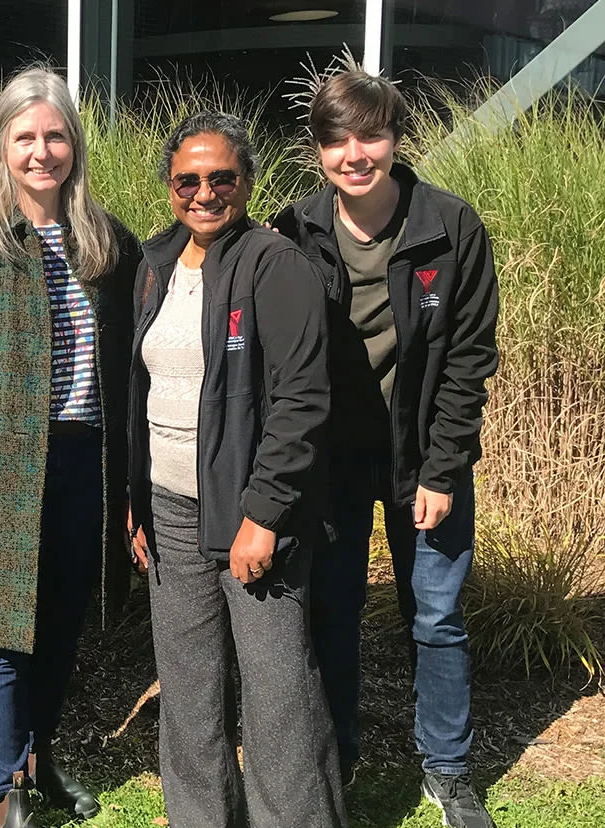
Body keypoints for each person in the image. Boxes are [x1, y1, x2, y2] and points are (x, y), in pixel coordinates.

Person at [272, 66, 499, 828]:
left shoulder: (449, 226)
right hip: (331, 461)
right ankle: (335, 755)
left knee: (434, 617)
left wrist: (442, 467)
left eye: (370, 135)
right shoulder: (293, 230)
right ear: (318, 151)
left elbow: (469, 356)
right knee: (330, 611)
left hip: (422, 459)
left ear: (396, 140)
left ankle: (447, 769)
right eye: (338, 141)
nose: (355, 153)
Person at [0, 67, 142, 828]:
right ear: (1, 148)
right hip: (4, 463)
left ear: (73, 146)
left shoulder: (105, 243)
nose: (41, 152)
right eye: (25, 138)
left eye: (54, 136)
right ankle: (3, 786)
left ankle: (40, 758)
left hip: (86, 461)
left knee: (60, 622)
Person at [127, 111, 346, 828]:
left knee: (276, 685)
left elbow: (302, 401)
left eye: (222, 177)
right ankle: (200, 817)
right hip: (168, 507)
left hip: (252, 509)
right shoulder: (155, 264)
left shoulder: (276, 265)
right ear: (169, 186)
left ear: (247, 182)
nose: (205, 192)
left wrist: (264, 514)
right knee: (188, 683)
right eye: (188, 180)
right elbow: (141, 389)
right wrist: (136, 500)